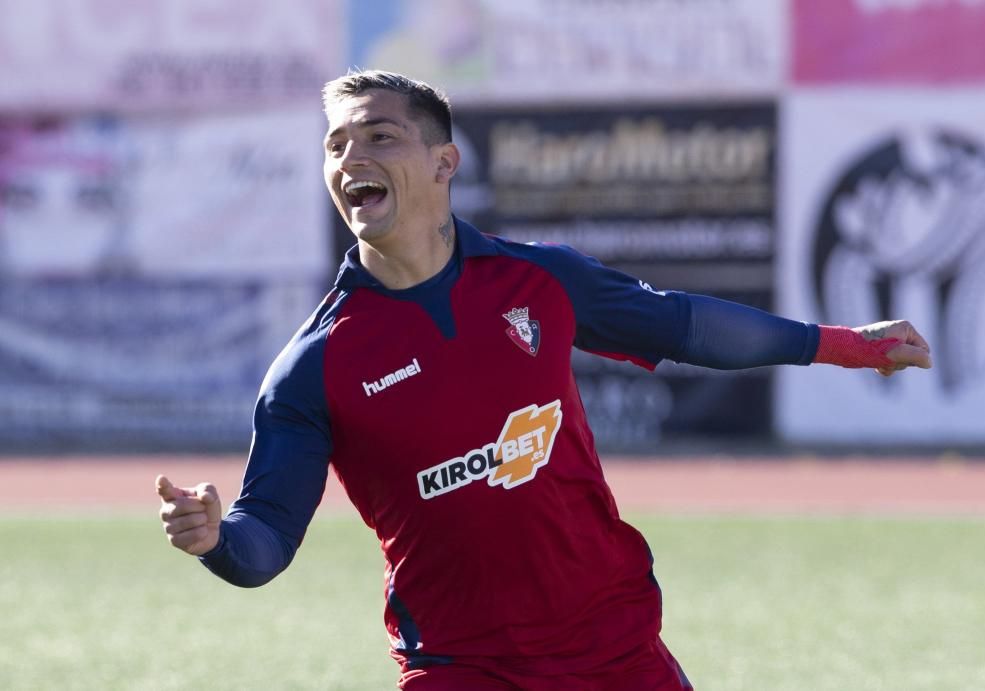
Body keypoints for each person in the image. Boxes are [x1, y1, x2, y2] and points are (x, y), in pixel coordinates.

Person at [156, 70, 932, 690]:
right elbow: (267, 538)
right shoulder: (313, 364)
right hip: (460, 666)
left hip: (613, 645)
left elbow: (683, 324)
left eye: (377, 136)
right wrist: (217, 539)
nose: (350, 158)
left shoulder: (539, 281)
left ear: (443, 162)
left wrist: (844, 345)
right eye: (334, 146)